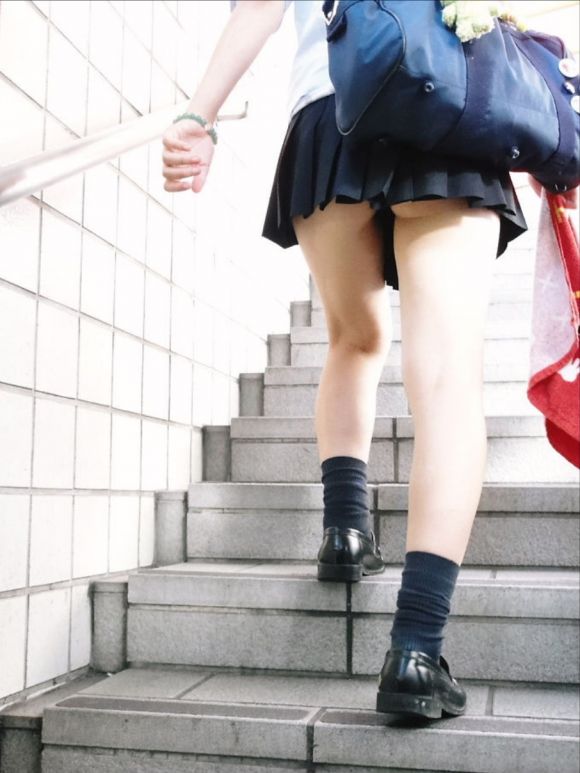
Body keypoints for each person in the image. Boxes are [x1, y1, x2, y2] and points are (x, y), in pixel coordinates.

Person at [161, 0, 578, 721]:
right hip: (447, 103)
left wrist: (199, 117)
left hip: (332, 111)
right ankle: (415, 650)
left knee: (353, 338)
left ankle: (346, 531)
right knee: (445, 378)